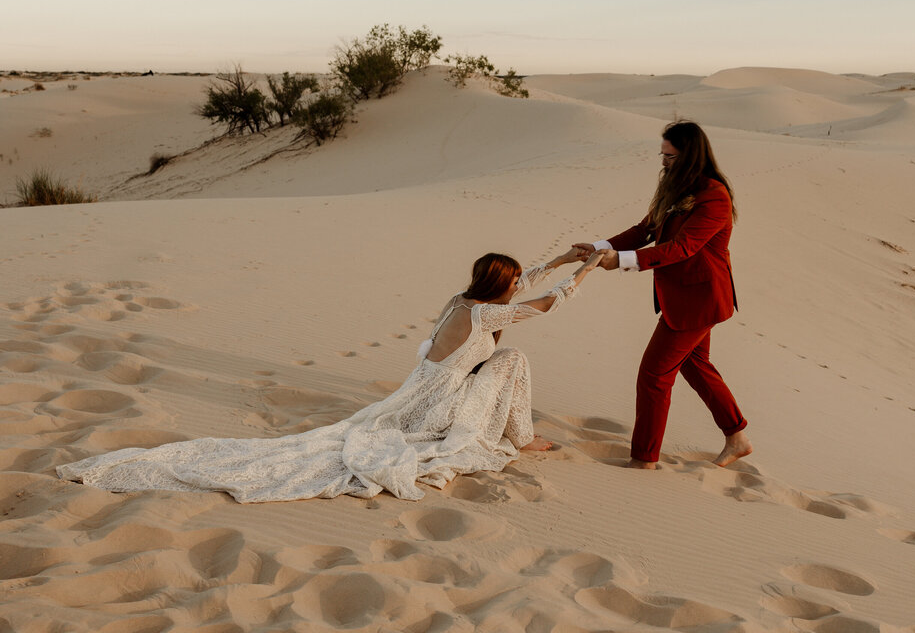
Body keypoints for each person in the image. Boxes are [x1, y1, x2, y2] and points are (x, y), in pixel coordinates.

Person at [57, 246, 610, 502]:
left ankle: (518, 432)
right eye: (513, 281)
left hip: (416, 393)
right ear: (501, 287)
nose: (518, 285)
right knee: (513, 360)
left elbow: (522, 282)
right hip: (436, 406)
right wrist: (586, 270)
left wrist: (559, 258)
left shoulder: (464, 298)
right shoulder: (490, 312)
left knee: (508, 358)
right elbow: (542, 305)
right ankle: (521, 436)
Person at [575, 120, 751, 470]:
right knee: (696, 365)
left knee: (654, 376)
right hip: (681, 298)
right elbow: (646, 230)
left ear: (689, 156)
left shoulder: (714, 196)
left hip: (700, 300)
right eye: (662, 154)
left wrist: (622, 261)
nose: (663, 162)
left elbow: (683, 247)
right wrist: (599, 247)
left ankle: (644, 459)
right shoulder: (674, 187)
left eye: (670, 156)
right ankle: (737, 437)